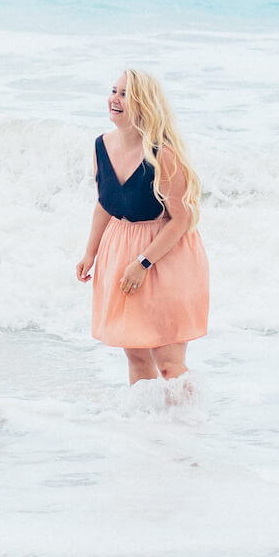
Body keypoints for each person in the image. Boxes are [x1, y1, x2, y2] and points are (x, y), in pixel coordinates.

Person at [75, 69, 209, 388]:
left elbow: (182, 219)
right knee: (136, 357)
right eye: (114, 91)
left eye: (124, 94)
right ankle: (147, 432)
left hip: (167, 257)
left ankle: (191, 426)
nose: (114, 99)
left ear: (143, 104)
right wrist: (89, 254)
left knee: (168, 363)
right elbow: (104, 204)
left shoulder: (163, 156)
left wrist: (143, 263)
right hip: (120, 251)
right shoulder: (101, 147)